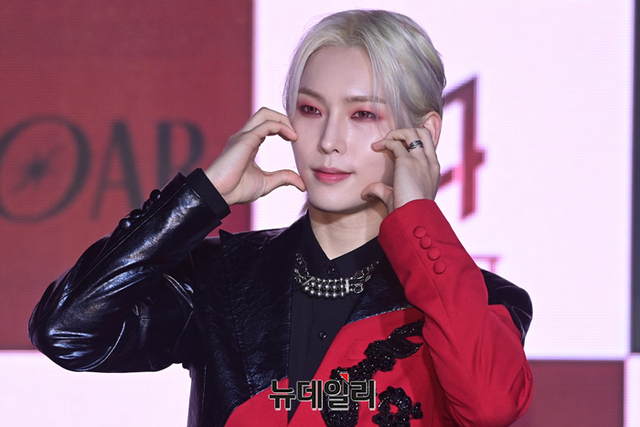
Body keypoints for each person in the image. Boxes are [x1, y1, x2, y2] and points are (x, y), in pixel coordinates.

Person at [29, 9, 533, 427]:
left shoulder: (486, 301)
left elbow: (491, 406)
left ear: (423, 135)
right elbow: (65, 330)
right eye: (311, 110)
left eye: (362, 114)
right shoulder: (220, 278)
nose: (329, 140)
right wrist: (200, 198)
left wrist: (419, 216)